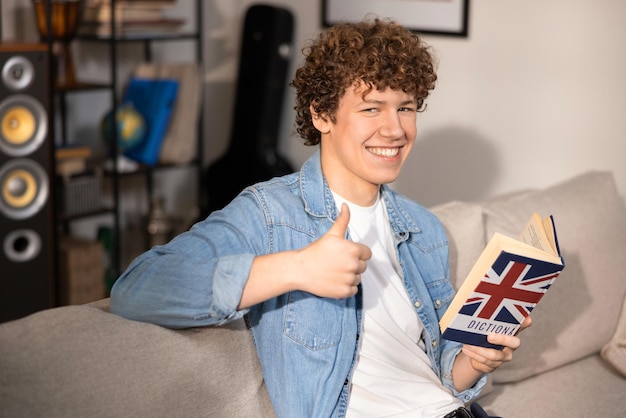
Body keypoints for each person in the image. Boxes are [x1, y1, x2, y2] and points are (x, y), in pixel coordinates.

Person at [110, 17, 530, 418]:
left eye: (406, 108)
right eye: (371, 109)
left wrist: (475, 360)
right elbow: (137, 289)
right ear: (321, 115)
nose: (395, 129)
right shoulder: (270, 214)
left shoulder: (423, 229)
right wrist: (296, 268)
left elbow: (438, 375)